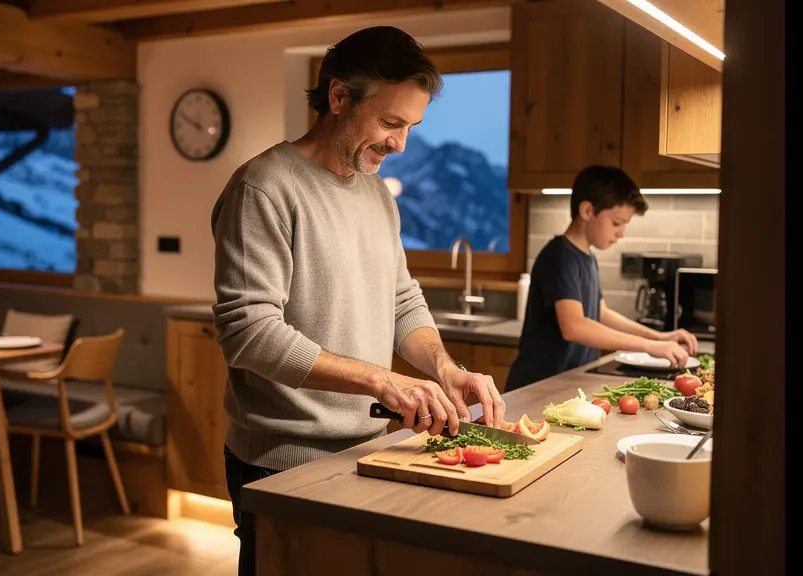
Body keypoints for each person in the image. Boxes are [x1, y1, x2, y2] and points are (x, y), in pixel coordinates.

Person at [209, 26, 507, 576]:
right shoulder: (264, 187)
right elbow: (249, 331)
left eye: (411, 127)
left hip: (368, 449)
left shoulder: (377, 195)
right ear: (339, 97)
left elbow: (402, 302)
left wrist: (445, 367)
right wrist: (383, 380)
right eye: (390, 123)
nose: (401, 145)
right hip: (280, 462)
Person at [504, 165, 698, 392]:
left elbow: (601, 313)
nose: (621, 233)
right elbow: (574, 326)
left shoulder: (586, 256)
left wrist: (660, 337)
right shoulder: (559, 256)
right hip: (537, 387)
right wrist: (648, 346)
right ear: (587, 211)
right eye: (616, 223)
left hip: (566, 383)